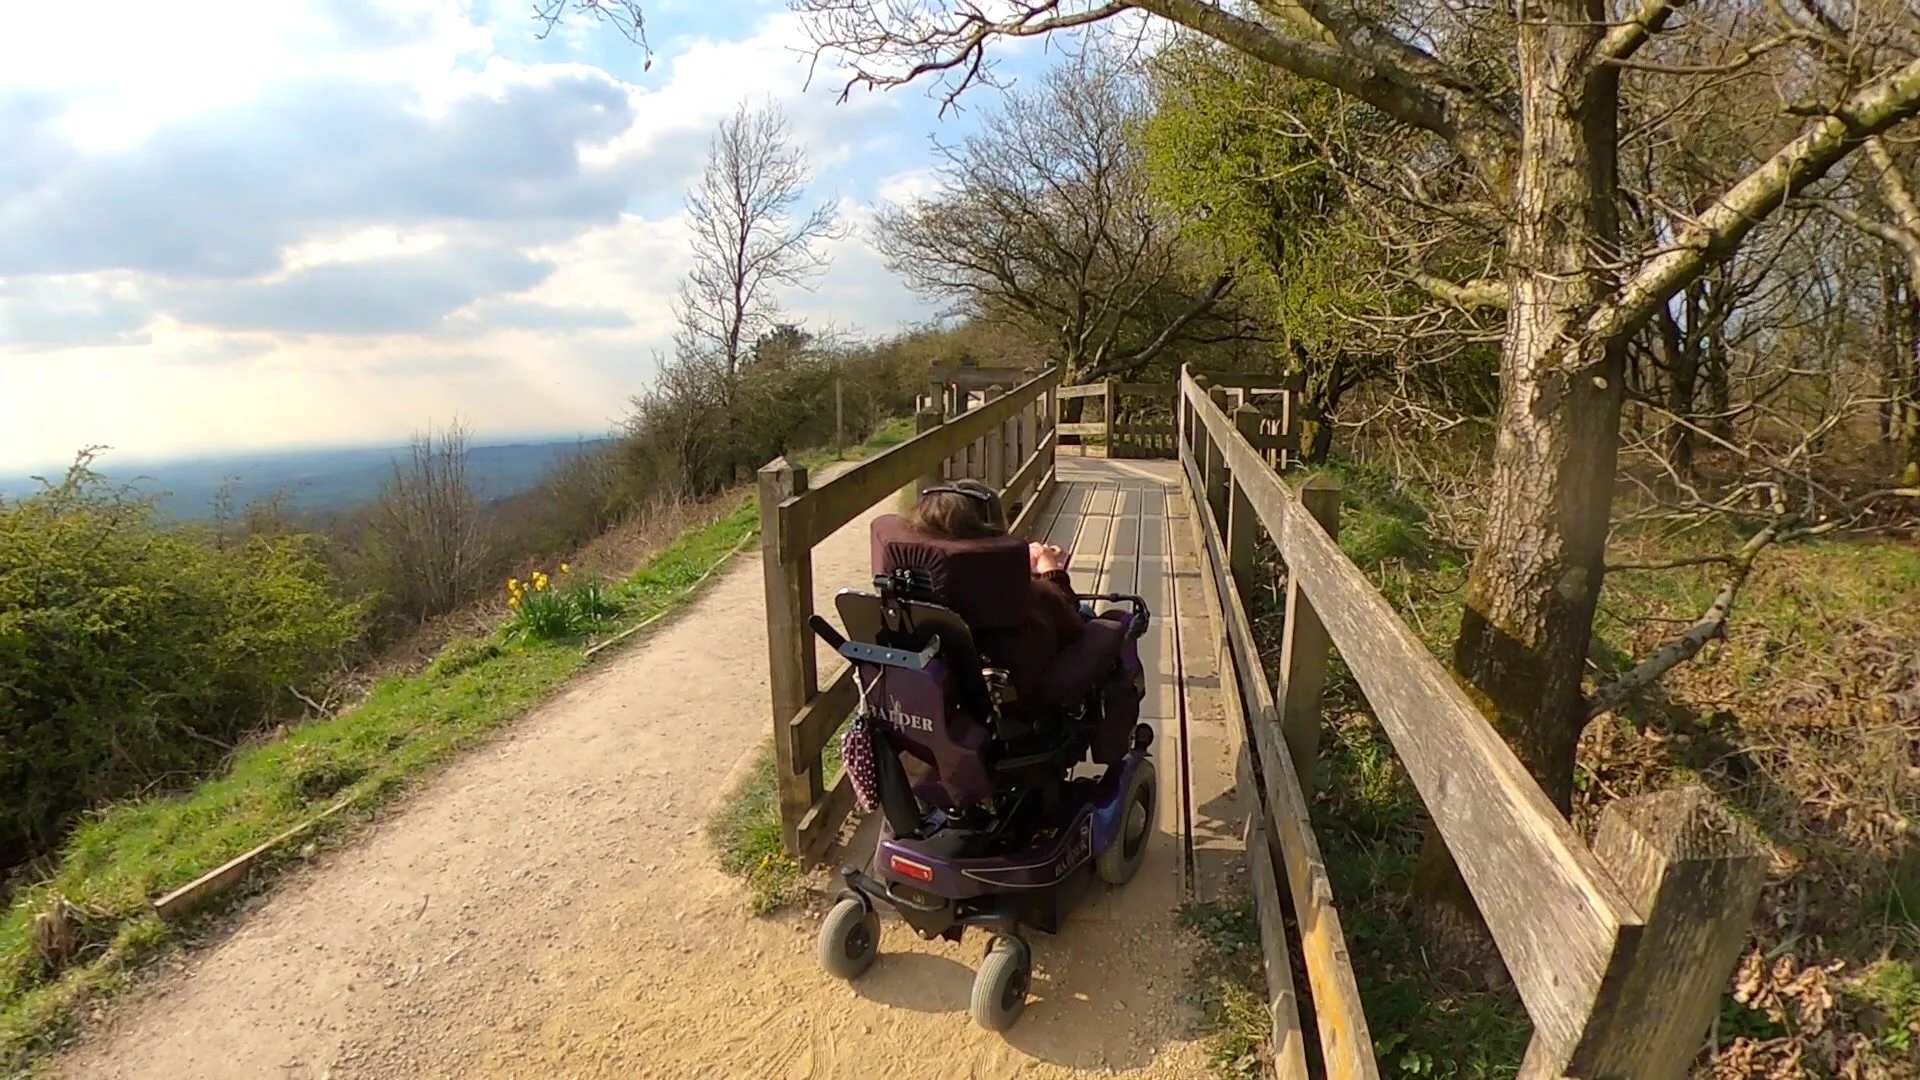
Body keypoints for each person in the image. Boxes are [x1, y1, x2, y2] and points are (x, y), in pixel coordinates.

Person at [900, 480, 1087, 679]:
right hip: (1025, 689)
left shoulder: (913, 596)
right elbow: (1071, 622)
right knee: (1089, 613)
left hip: (956, 684)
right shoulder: (1025, 598)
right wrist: (1050, 570)